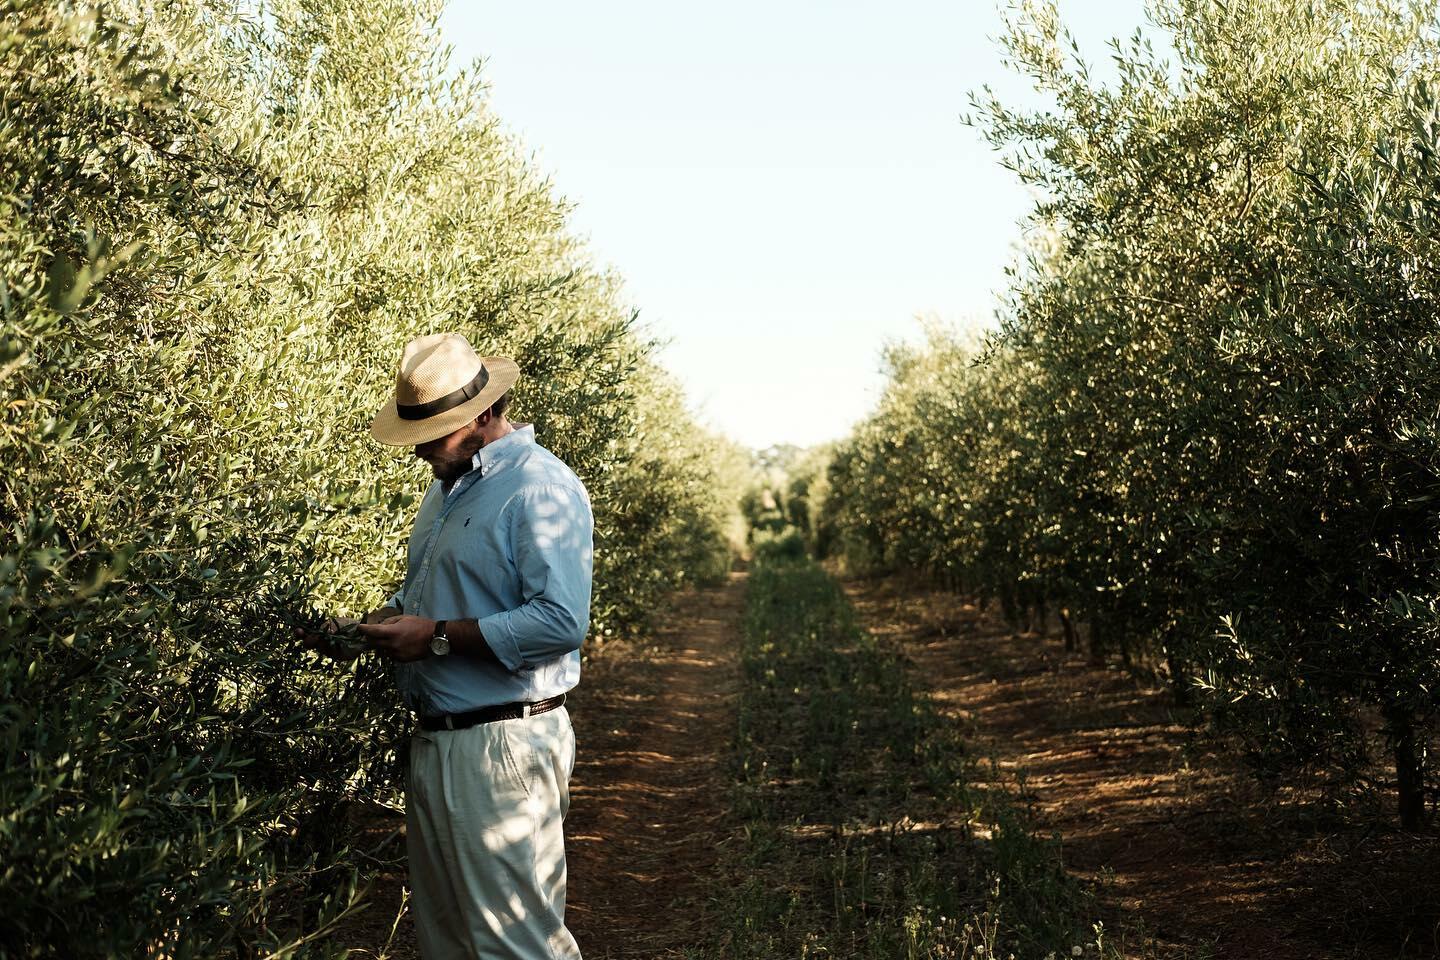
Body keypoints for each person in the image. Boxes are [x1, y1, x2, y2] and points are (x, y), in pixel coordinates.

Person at [302, 332, 591, 960]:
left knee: (517, 946)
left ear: (485, 413)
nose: (423, 450)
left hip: (504, 745)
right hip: (439, 738)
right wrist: (374, 630)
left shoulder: (538, 488)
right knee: (448, 943)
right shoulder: (447, 489)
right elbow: (442, 607)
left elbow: (560, 623)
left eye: (438, 430)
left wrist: (432, 638)